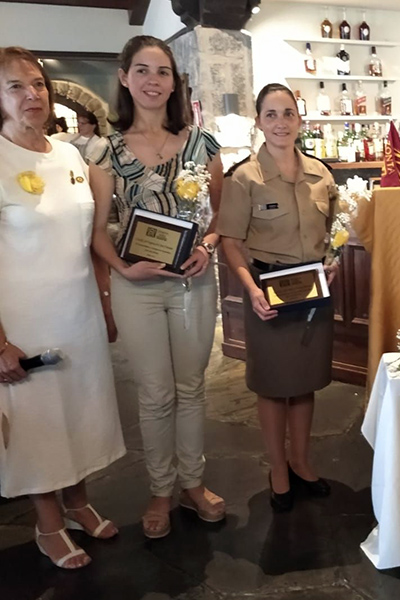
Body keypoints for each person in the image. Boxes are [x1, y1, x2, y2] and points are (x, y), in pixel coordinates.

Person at [90, 35, 225, 538]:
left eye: (163, 71)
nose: (153, 81)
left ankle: (193, 482)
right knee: (153, 393)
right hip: (137, 285)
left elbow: (222, 212)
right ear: (125, 78)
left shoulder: (201, 144)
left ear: (175, 81)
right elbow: (99, 229)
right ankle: (160, 489)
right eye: (142, 71)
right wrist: (124, 271)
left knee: (191, 388)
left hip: (192, 281)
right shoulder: (106, 151)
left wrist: (207, 247)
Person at [0, 46, 125, 569]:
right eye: (15, 86)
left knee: (78, 411)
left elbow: (89, 238)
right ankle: (48, 525)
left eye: (38, 84)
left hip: (77, 311)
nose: (32, 95)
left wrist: (106, 299)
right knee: (38, 424)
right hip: (23, 318)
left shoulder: (70, 155)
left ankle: (77, 502)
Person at [219, 84, 336, 512]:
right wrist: (250, 290)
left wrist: (334, 259)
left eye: (288, 113)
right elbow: (230, 240)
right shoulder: (244, 177)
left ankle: (302, 462)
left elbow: (333, 233)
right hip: (268, 291)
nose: (281, 122)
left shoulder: (321, 174)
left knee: (304, 383)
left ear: (300, 120)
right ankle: (278, 469)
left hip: (313, 291)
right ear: (259, 122)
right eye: (271, 115)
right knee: (272, 386)